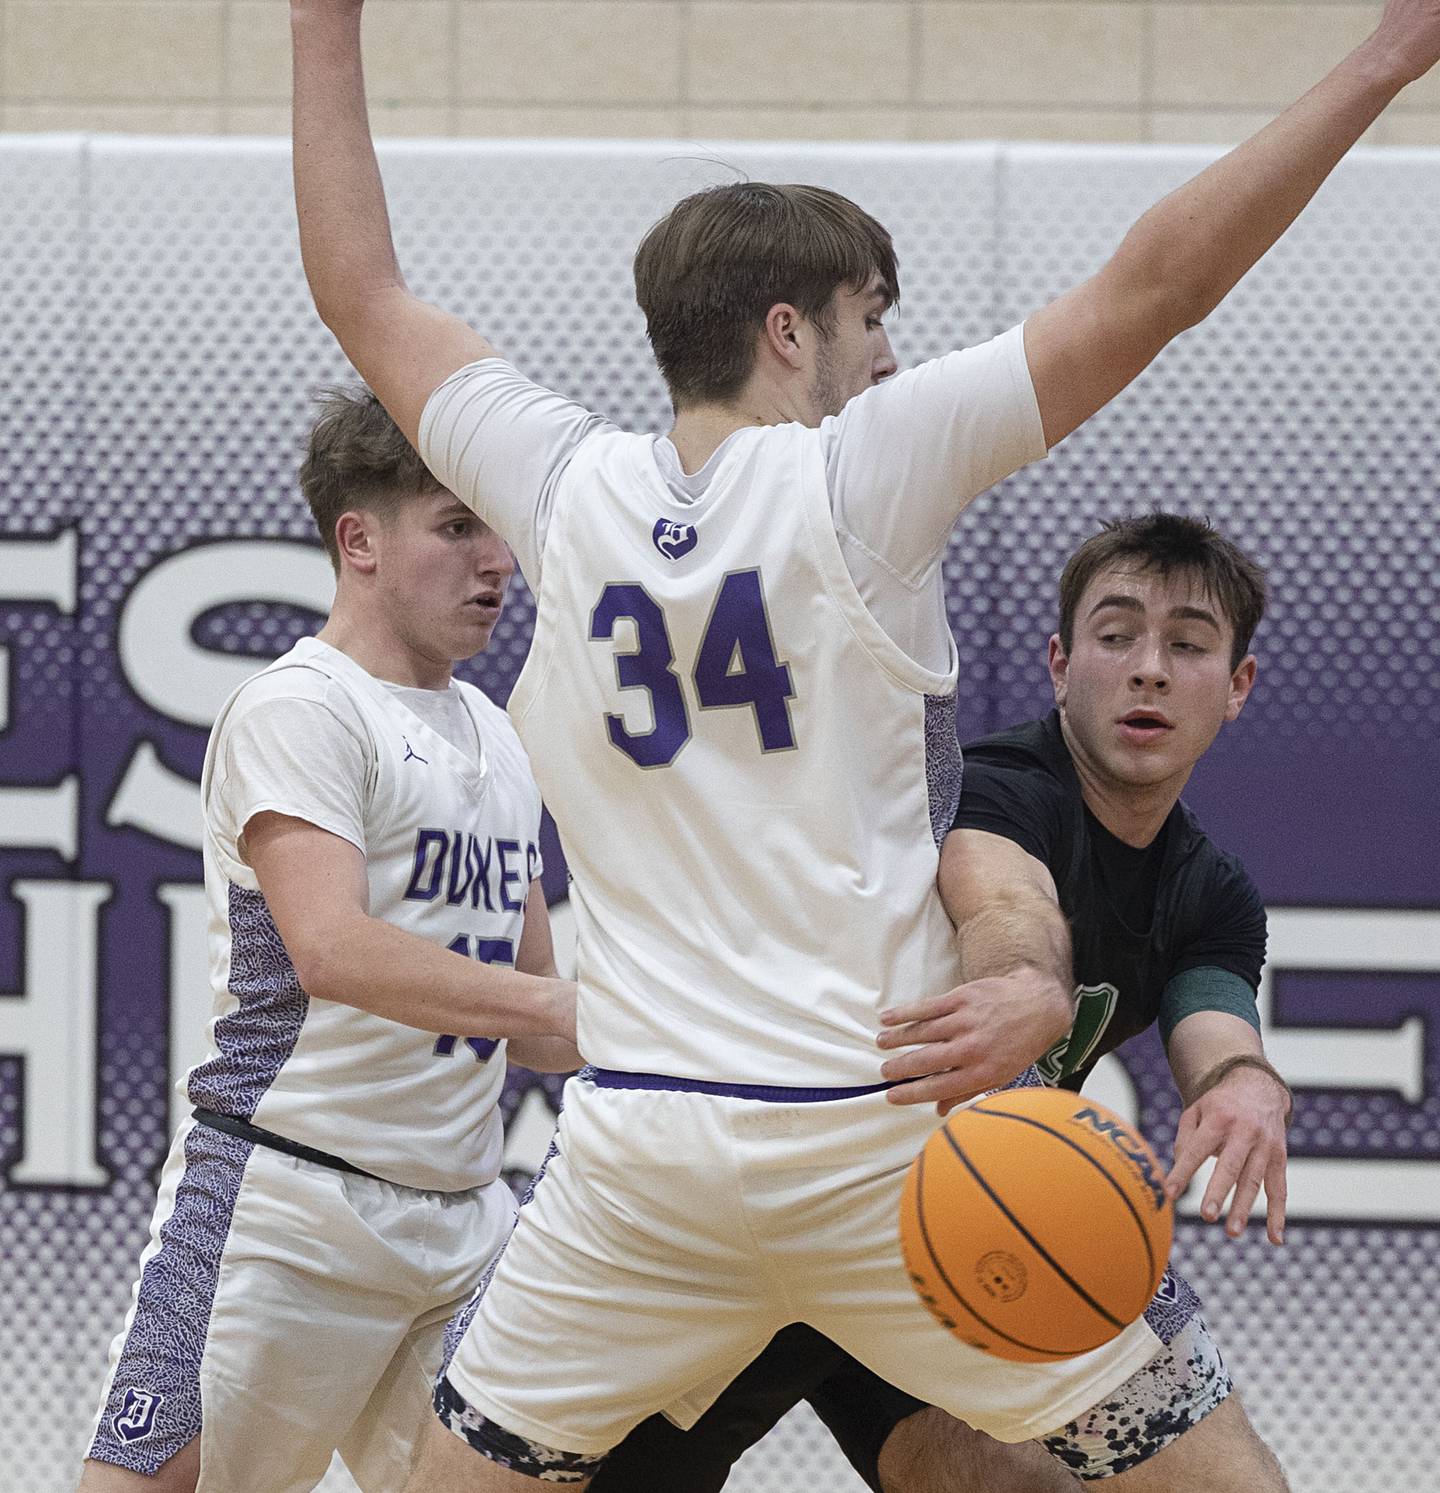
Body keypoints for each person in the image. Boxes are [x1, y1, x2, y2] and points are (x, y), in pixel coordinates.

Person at [287, 1, 1440, 1486]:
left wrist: (323, 19)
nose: (889, 356)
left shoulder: (558, 481)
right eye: (872, 318)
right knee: (1221, 1481)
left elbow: (357, 285)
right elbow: (1163, 283)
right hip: (880, 1141)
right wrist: (1384, 61)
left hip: (642, 1168)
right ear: (792, 331)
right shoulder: (862, 470)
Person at [589, 513, 1291, 1492]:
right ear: (1059, 662)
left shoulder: (1211, 890)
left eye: (1187, 644)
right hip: (788, 1190)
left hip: (950, 1229)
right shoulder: (996, 787)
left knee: (1205, 1478)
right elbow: (1006, 900)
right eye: (1117, 634)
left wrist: (1244, 1080)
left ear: (1237, 686)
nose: (1149, 669)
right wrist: (1021, 979)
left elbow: (1213, 1013)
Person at [78, 389, 580, 1493]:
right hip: (289, 1204)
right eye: (457, 526)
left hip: (459, 1219)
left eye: (501, 529)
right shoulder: (302, 705)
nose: (498, 562)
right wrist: (554, 1010)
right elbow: (333, 948)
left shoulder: (498, 731)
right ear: (359, 538)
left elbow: (545, 1016)